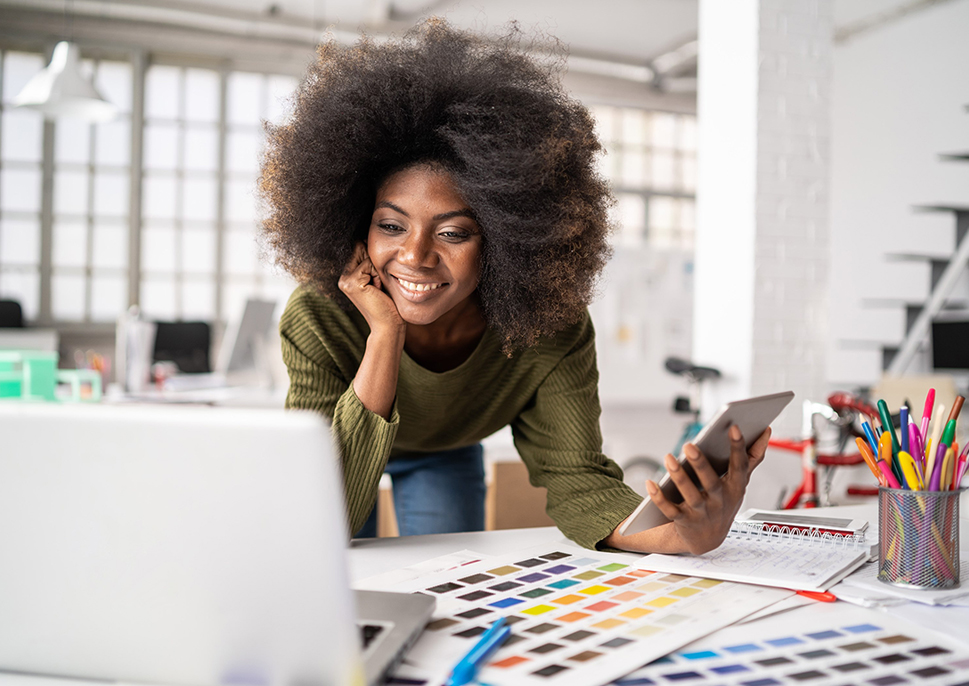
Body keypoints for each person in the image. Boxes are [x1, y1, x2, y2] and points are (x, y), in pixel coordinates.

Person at [260, 20, 770, 552]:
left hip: (447, 448)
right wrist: (384, 335)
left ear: (506, 241)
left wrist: (680, 535)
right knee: (329, 567)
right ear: (355, 222)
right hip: (342, 446)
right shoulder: (318, 314)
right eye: (391, 226)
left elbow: (578, 478)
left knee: (445, 588)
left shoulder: (546, 323)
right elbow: (319, 510)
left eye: (453, 232)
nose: (414, 256)